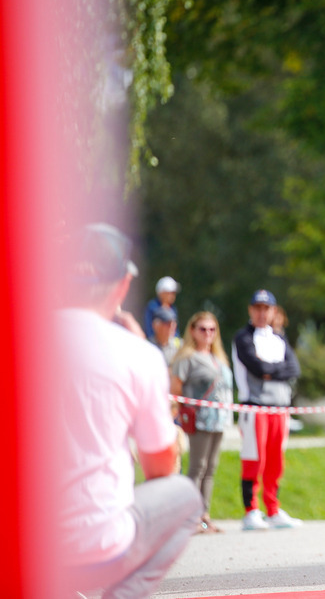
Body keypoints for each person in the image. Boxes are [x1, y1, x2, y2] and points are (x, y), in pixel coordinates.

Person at [56, 223, 202, 597]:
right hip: (98, 545)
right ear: (123, 285)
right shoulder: (139, 354)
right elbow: (160, 467)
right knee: (186, 497)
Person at [232, 288, 303, 530]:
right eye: (258, 308)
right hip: (255, 406)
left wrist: (269, 370)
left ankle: (273, 509)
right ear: (251, 310)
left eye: (267, 308)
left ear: (273, 311)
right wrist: (274, 370)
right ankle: (251, 510)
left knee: (275, 460)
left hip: (280, 408)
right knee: (254, 458)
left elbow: (293, 369)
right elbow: (254, 365)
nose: (262, 313)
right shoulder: (243, 337)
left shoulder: (279, 339)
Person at [170, 311, 234, 534]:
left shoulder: (219, 358)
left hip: (219, 419)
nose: (208, 334)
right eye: (203, 329)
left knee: (211, 468)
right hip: (199, 419)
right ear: (193, 331)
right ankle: (190, 516)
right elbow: (175, 389)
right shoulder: (187, 358)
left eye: (212, 329)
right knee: (197, 466)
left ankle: (204, 514)